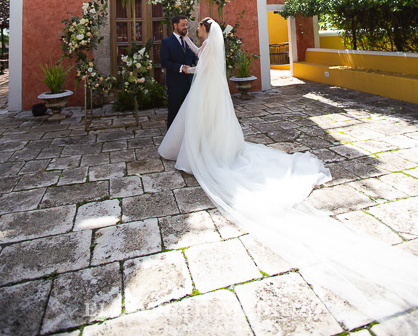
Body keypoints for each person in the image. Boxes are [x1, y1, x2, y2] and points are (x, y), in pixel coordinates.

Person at [159, 17, 418, 326]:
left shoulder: (207, 47)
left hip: (201, 89)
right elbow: (200, 55)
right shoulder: (209, 44)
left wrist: (189, 67)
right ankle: (205, 147)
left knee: (203, 125)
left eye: (198, 28)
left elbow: (201, 64)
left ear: (205, 30)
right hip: (205, 91)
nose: (195, 31)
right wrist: (190, 56)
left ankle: (202, 152)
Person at [160, 14, 198, 129]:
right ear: (175, 25)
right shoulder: (166, 42)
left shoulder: (189, 40)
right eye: (183, 25)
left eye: (186, 25)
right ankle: (170, 139)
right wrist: (181, 67)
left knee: (191, 112)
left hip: (190, 83)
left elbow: (193, 58)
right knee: (174, 112)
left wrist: (197, 62)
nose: (185, 27)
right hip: (175, 83)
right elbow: (164, 62)